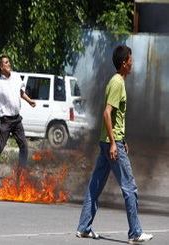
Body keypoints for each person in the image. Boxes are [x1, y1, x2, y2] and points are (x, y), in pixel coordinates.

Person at [76, 45, 153, 244]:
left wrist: (120, 140)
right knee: (130, 187)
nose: (132, 62)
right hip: (111, 143)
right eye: (130, 59)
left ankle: (84, 227)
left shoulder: (115, 81)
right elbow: (107, 113)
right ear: (124, 63)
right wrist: (114, 143)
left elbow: (115, 117)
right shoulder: (117, 82)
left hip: (109, 141)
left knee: (95, 185)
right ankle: (135, 233)